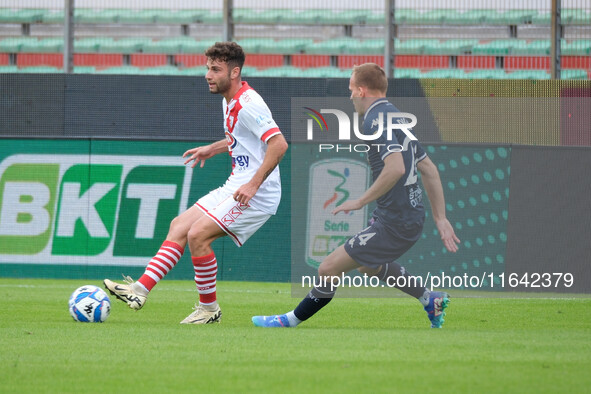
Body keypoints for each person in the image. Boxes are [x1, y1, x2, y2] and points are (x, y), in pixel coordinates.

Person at [252, 63, 460, 329]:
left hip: (397, 221)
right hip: (402, 215)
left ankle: (288, 321)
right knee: (368, 266)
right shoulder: (395, 115)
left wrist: (360, 201)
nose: (350, 96)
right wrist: (440, 217)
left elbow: (395, 167)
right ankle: (430, 300)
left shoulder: (374, 119)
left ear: (362, 91)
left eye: (351, 90)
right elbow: (428, 168)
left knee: (327, 269)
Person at [104, 42, 288, 324]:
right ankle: (138, 290)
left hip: (256, 193)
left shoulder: (249, 104)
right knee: (180, 225)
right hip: (235, 184)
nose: (208, 75)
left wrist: (252, 186)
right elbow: (243, 139)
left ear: (235, 71)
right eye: (207, 68)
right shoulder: (230, 100)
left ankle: (208, 310)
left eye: (216, 69)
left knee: (197, 235)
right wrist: (213, 149)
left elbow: (278, 144)